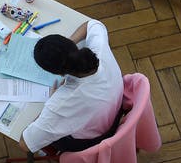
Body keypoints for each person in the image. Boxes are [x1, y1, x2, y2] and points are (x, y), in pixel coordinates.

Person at [18, 20, 124, 153]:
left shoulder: (61, 105)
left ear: (58, 73)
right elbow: (91, 24)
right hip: (115, 111)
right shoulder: (99, 51)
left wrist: (50, 103)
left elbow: (25, 144)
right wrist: (67, 47)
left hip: (91, 140)